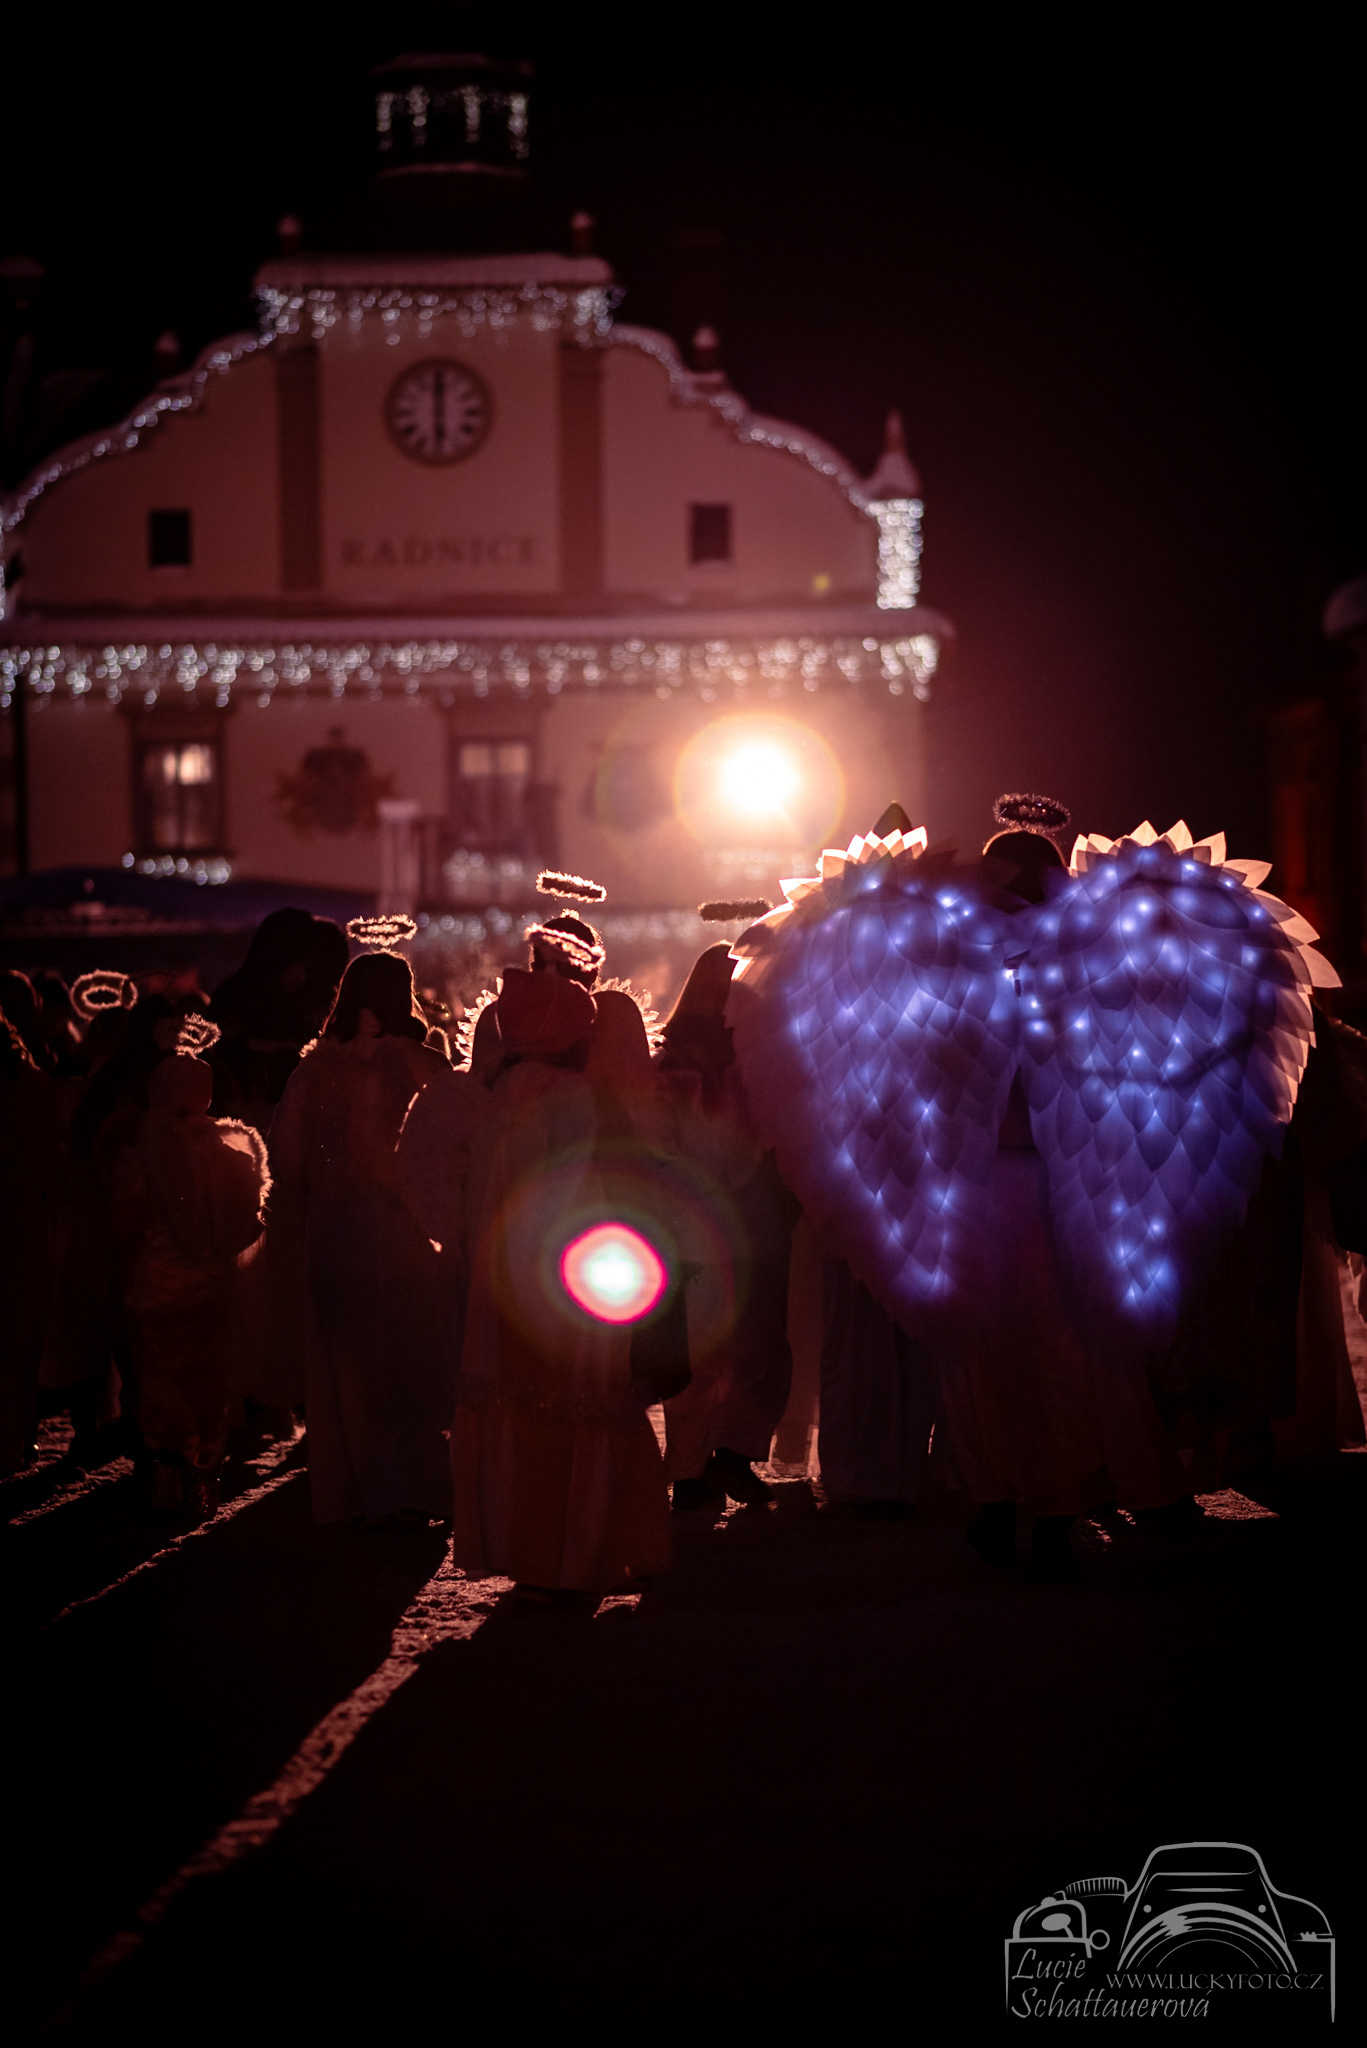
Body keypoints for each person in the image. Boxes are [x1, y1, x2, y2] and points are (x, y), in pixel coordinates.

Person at [451, 967, 671, 1598]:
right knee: (586, 1399)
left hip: (503, 1276)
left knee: (518, 1404)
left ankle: (528, 1551)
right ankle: (576, 1555)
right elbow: (590, 1183)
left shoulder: (495, 1093)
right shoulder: (573, 1096)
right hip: (572, 1272)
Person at [266, 949, 458, 1524]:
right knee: (411, 1362)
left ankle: (355, 1486)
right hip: (406, 1234)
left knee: (346, 1371)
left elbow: (285, 1158)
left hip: (335, 1234)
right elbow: (455, 1136)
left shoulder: (314, 1069)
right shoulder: (423, 1064)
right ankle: (412, 1487)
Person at [655, 943, 796, 1510]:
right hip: (722, 1219)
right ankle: (708, 1463)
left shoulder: (753, 1058)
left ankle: (714, 1462)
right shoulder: (689, 1065)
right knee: (724, 1348)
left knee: (737, 1346)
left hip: (729, 1220)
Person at [122, 1028, 269, 1515]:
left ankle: (165, 1483)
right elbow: (250, 1224)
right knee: (207, 1382)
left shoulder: (145, 1152)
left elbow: (127, 1219)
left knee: (159, 1383)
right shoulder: (232, 1153)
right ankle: (203, 1481)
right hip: (212, 1289)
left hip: (158, 1287)